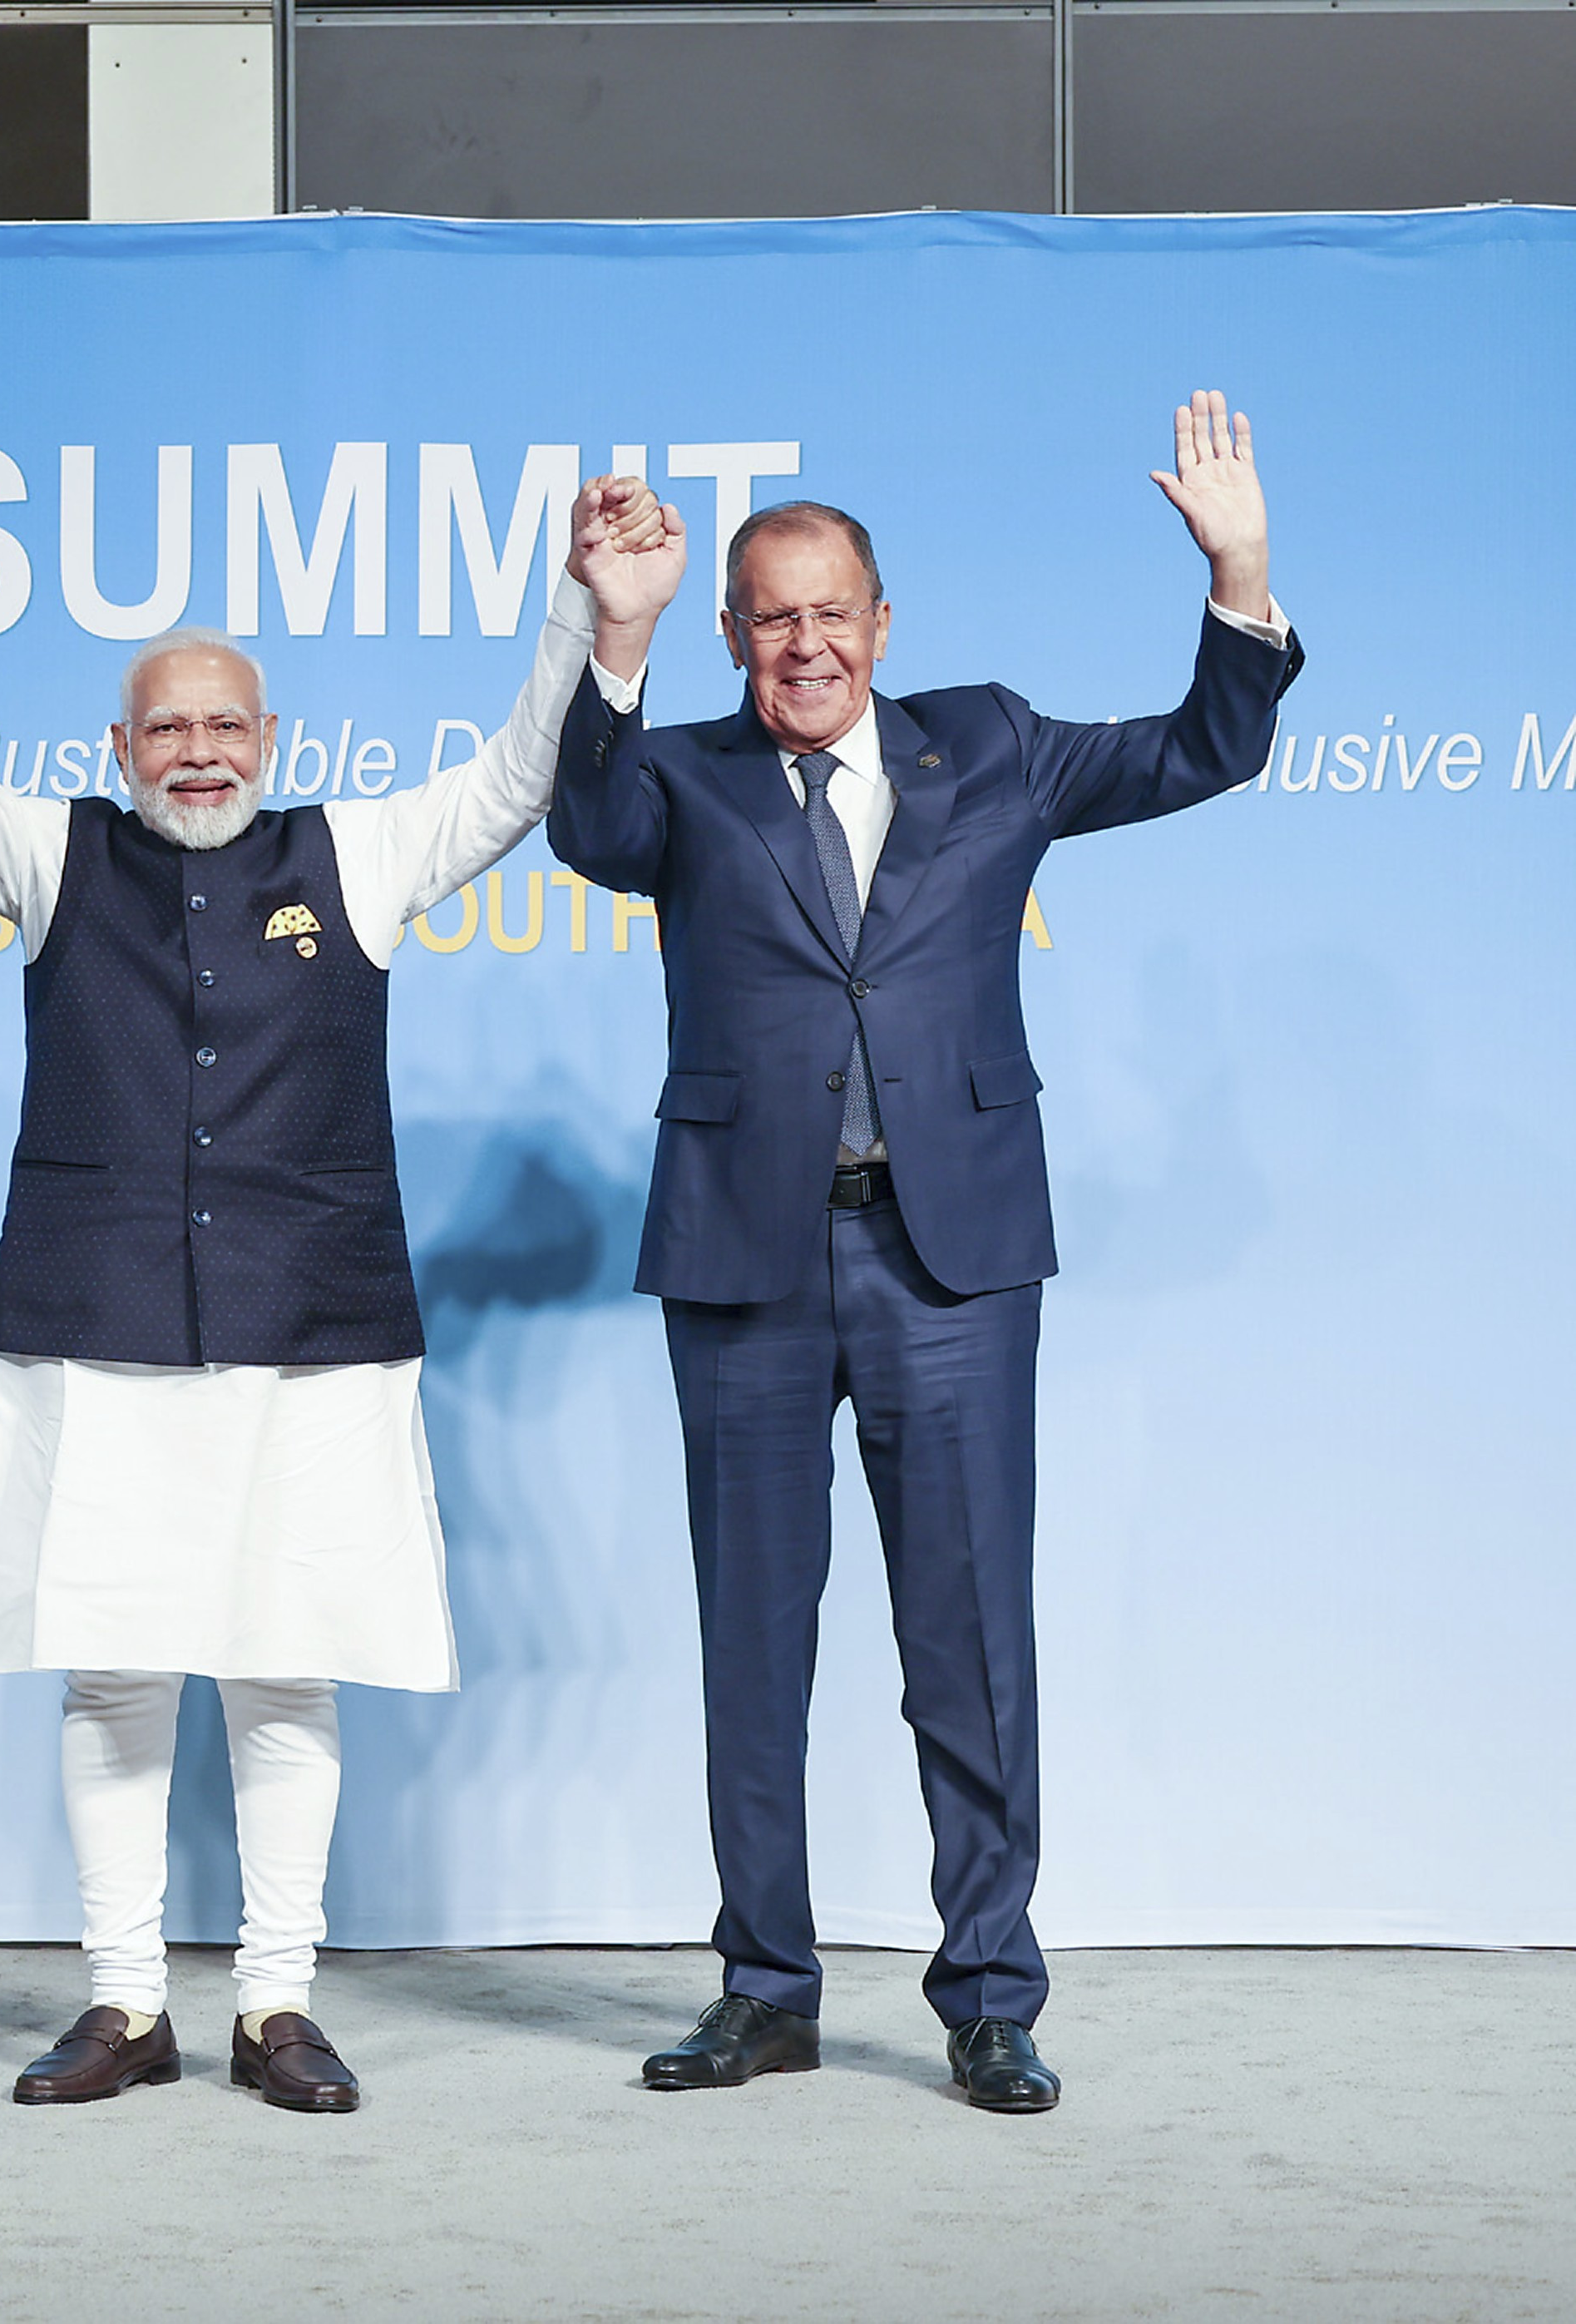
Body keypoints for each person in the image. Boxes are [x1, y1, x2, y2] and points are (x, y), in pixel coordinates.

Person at [547, 392, 1298, 2113]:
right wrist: (621, 627)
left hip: (949, 1258)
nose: (804, 641)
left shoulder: (996, 744)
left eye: (833, 612)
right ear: (735, 634)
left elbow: (1205, 746)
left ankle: (987, 1989)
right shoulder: (678, 773)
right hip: (746, 1257)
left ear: (883, 626)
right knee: (755, 1637)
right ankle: (766, 1983)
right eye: (771, 616)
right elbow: (583, 825)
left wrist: (1241, 570)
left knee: (965, 1637)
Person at [0, 479, 668, 2114]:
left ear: (271, 735)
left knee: (289, 1663)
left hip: (315, 1331)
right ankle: (125, 2002)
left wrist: (597, 617)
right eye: (165, 729)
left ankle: (278, 2001)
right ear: (122, 751)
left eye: (225, 724)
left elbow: (515, 774)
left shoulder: (362, 848)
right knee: (115, 1668)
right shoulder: (51, 856)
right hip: (99, 1326)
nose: (198, 750)